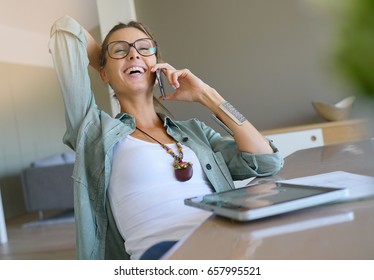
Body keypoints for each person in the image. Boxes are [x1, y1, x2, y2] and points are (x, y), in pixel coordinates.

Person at [49, 15, 283, 260]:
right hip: (164, 254)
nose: (134, 54)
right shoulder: (93, 131)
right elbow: (66, 29)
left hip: (226, 242)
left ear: (158, 68)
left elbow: (266, 161)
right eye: (120, 49)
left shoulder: (195, 132)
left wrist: (208, 95)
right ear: (103, 75)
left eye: (143, 48)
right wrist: (112, 62)